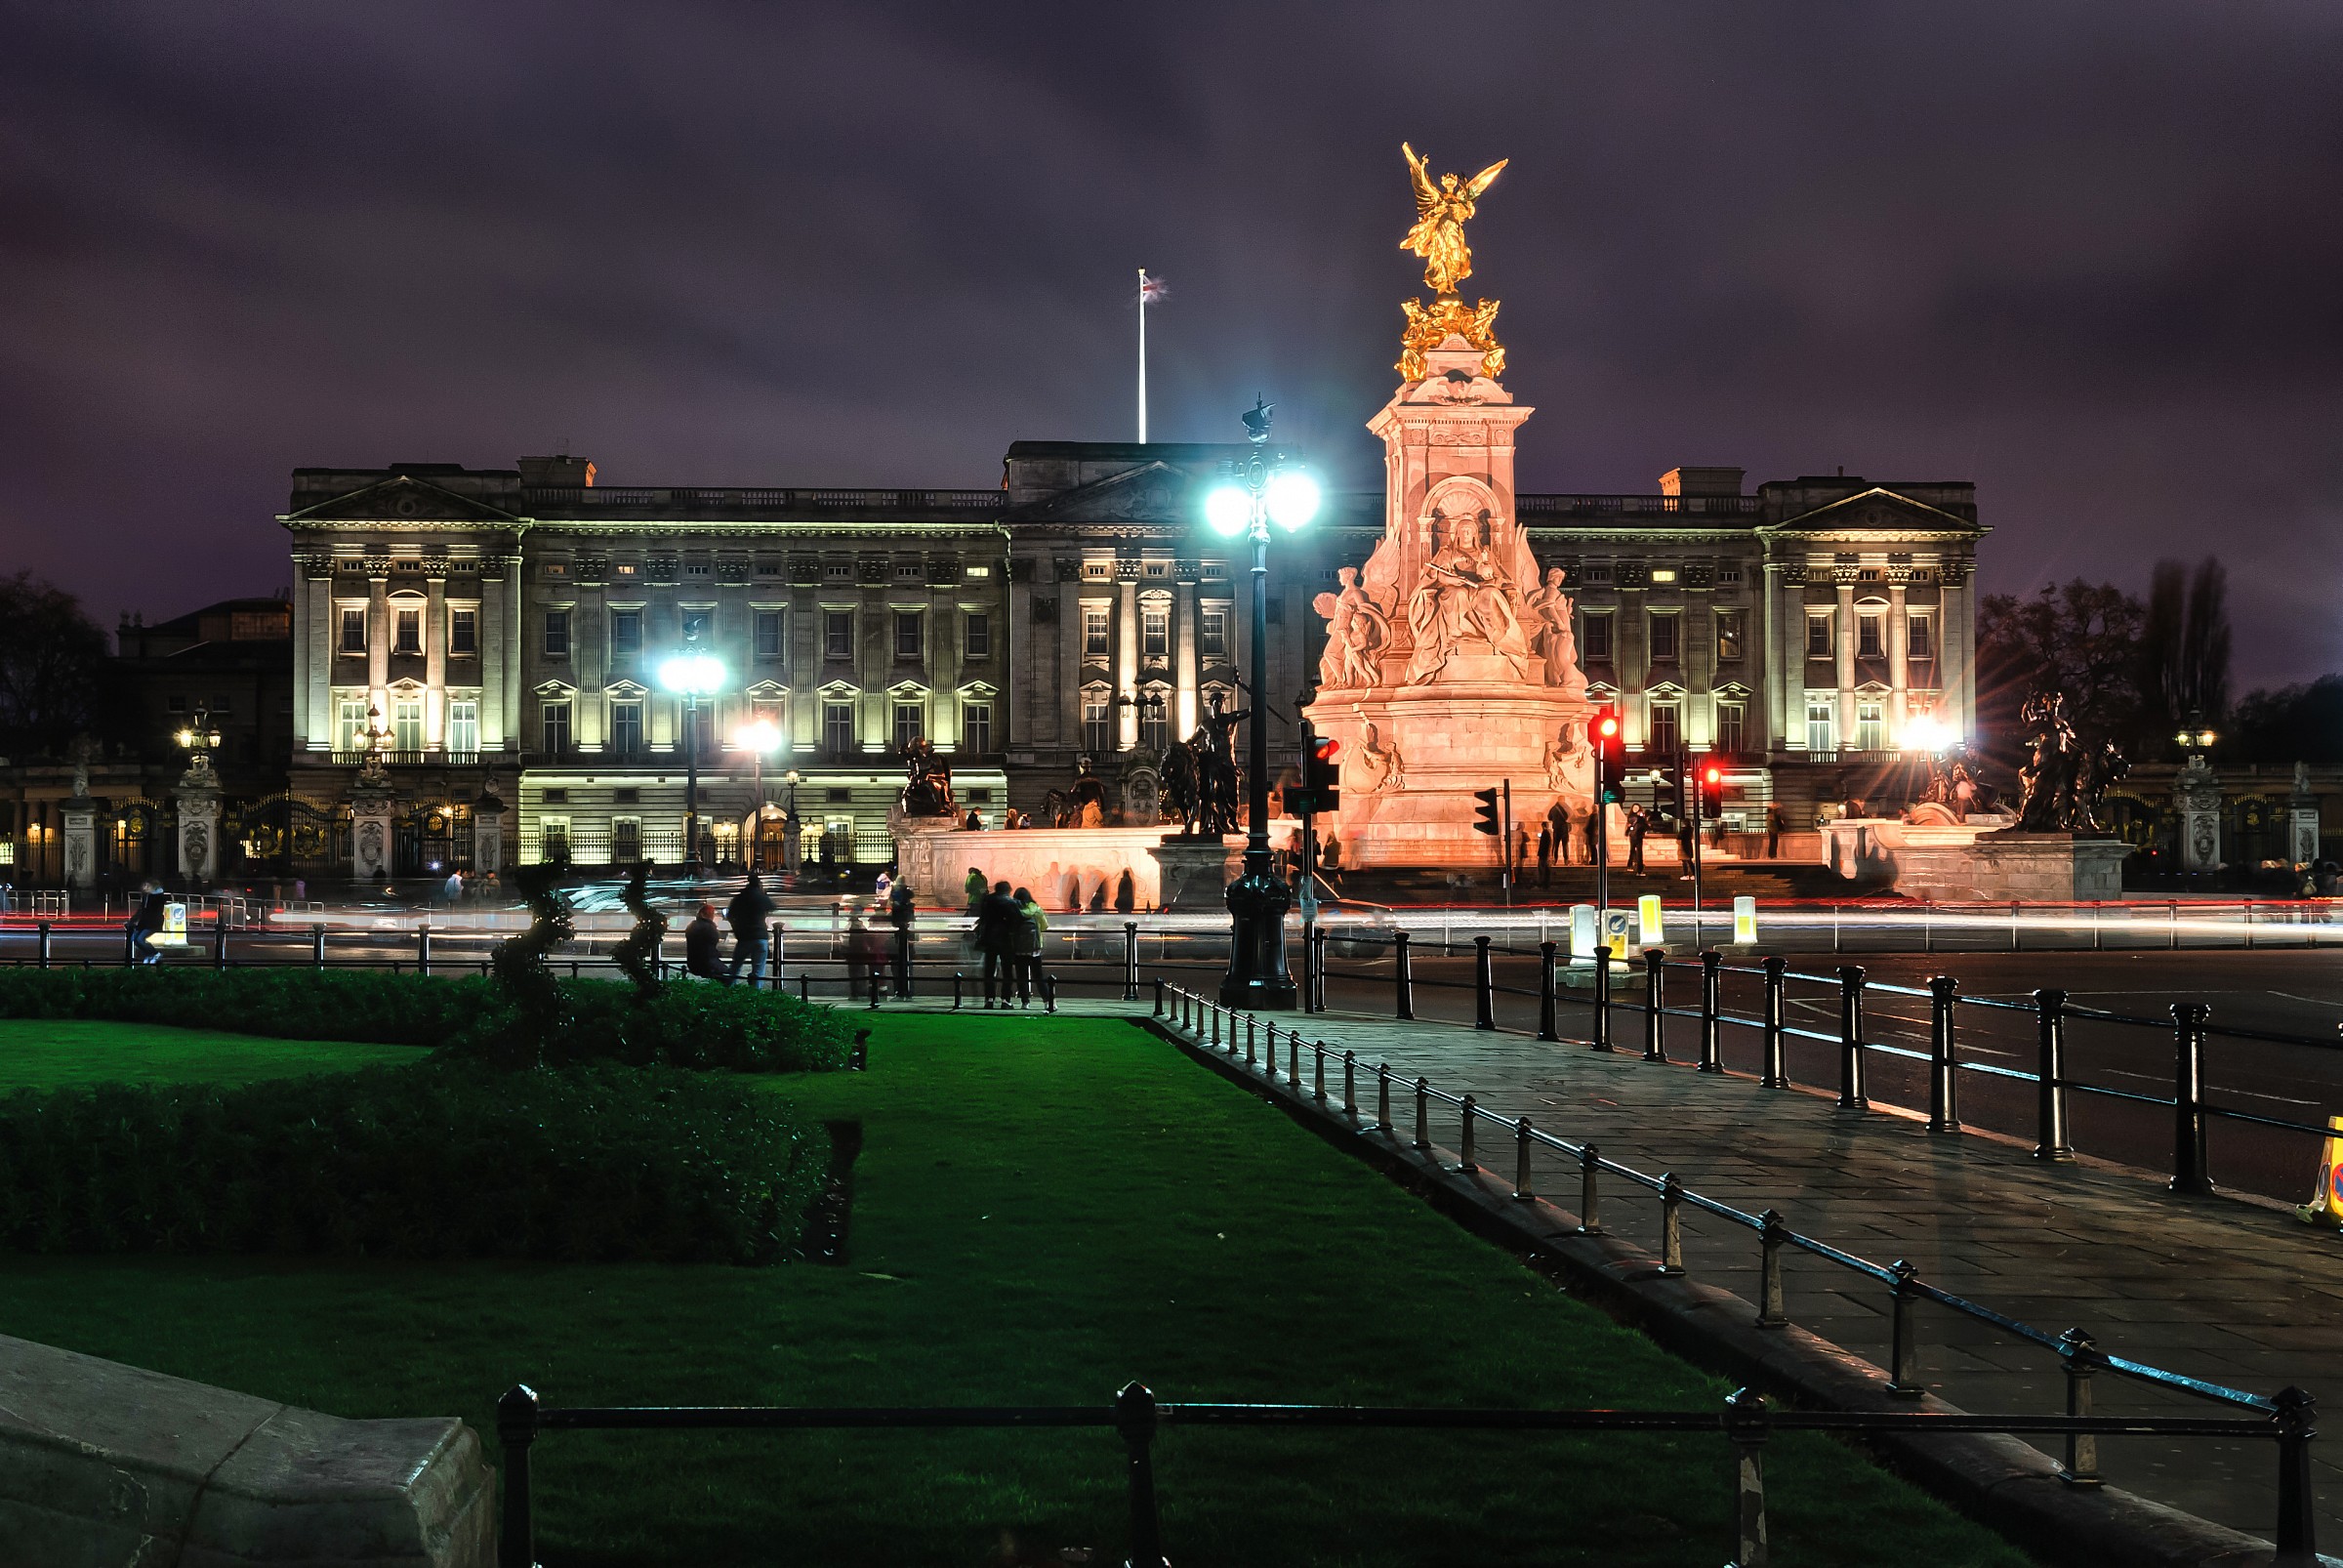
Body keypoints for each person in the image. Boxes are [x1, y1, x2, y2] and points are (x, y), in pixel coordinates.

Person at [974, 879, 1022, 1007]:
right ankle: (1005, 1000)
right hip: (1006, 939)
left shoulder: (987, 900)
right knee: (1007, 971)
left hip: (989, 939)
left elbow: (983, 918)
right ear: (1007, 890)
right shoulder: (1011, 902)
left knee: (989, 970)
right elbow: (1017, 919)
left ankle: (989, 999)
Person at [726, 871, 776, 987]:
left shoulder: (740, 897)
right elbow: (772, 906)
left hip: (744, 937)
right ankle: (755, 996)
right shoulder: (761, 897)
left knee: (735, 967)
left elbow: (730, 915)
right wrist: (764, 894)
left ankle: (729, 992)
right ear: (758, 884)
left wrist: (736, 929)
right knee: (758, 970)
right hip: (761, 936)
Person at [1009, 885, 1047, 1007]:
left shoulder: (1014, 910)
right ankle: (1047, 1001)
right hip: (1034, 948)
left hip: (1019, 949)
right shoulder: (1036, 909)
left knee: (1021, 976)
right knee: (1039, 976)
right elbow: (1045, 926)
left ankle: (1025, 1002)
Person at [126, 880, 169, 965]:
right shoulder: (146, 896)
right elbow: (141, 911)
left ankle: (156, 953)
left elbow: (154, 911)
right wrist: (132, 921)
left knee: (140, 939)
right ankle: (149, 954)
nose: (144, 888)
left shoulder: (159, 897)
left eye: (147, 886)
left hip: (153, 923)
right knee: (134, 939)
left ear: (153, 886)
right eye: (144, 885)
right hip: (144, 922)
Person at [888, 878, 916, 998]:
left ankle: (900, 990)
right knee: (907, 966)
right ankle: (907, 990)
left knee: (898, 966)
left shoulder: (895, 891)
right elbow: (911, 896)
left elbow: (892, 900)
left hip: (899, 927)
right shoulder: (906, 891)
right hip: (904, 928)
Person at [683, 902, 725, 981]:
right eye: (711, 914)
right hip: (708, 963)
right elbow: (712, 945)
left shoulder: (692, 926)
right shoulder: (709, 928)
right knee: (729, 976)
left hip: (693, 963)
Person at [1624, 806, 1648, 874]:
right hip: (1638, 836)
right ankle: (1639, 869)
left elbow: (1629, 826)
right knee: (1639, 852)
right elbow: (1645, 826)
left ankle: (1630, 865)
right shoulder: (1639, 818)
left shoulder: (1630, 817)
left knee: (1632, 850)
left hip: (1633, 836)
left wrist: (1627, 832)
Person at [1535, 822, 1552, 888]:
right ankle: (1544, 883)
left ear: (1543, 826)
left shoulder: (1545, 833)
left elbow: (1543, 845)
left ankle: (1542, 883)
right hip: (1544, 854)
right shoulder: (1547, 833)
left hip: (1543, 854)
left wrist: (1541, 854)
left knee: (1542, 868)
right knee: (1545, 868)